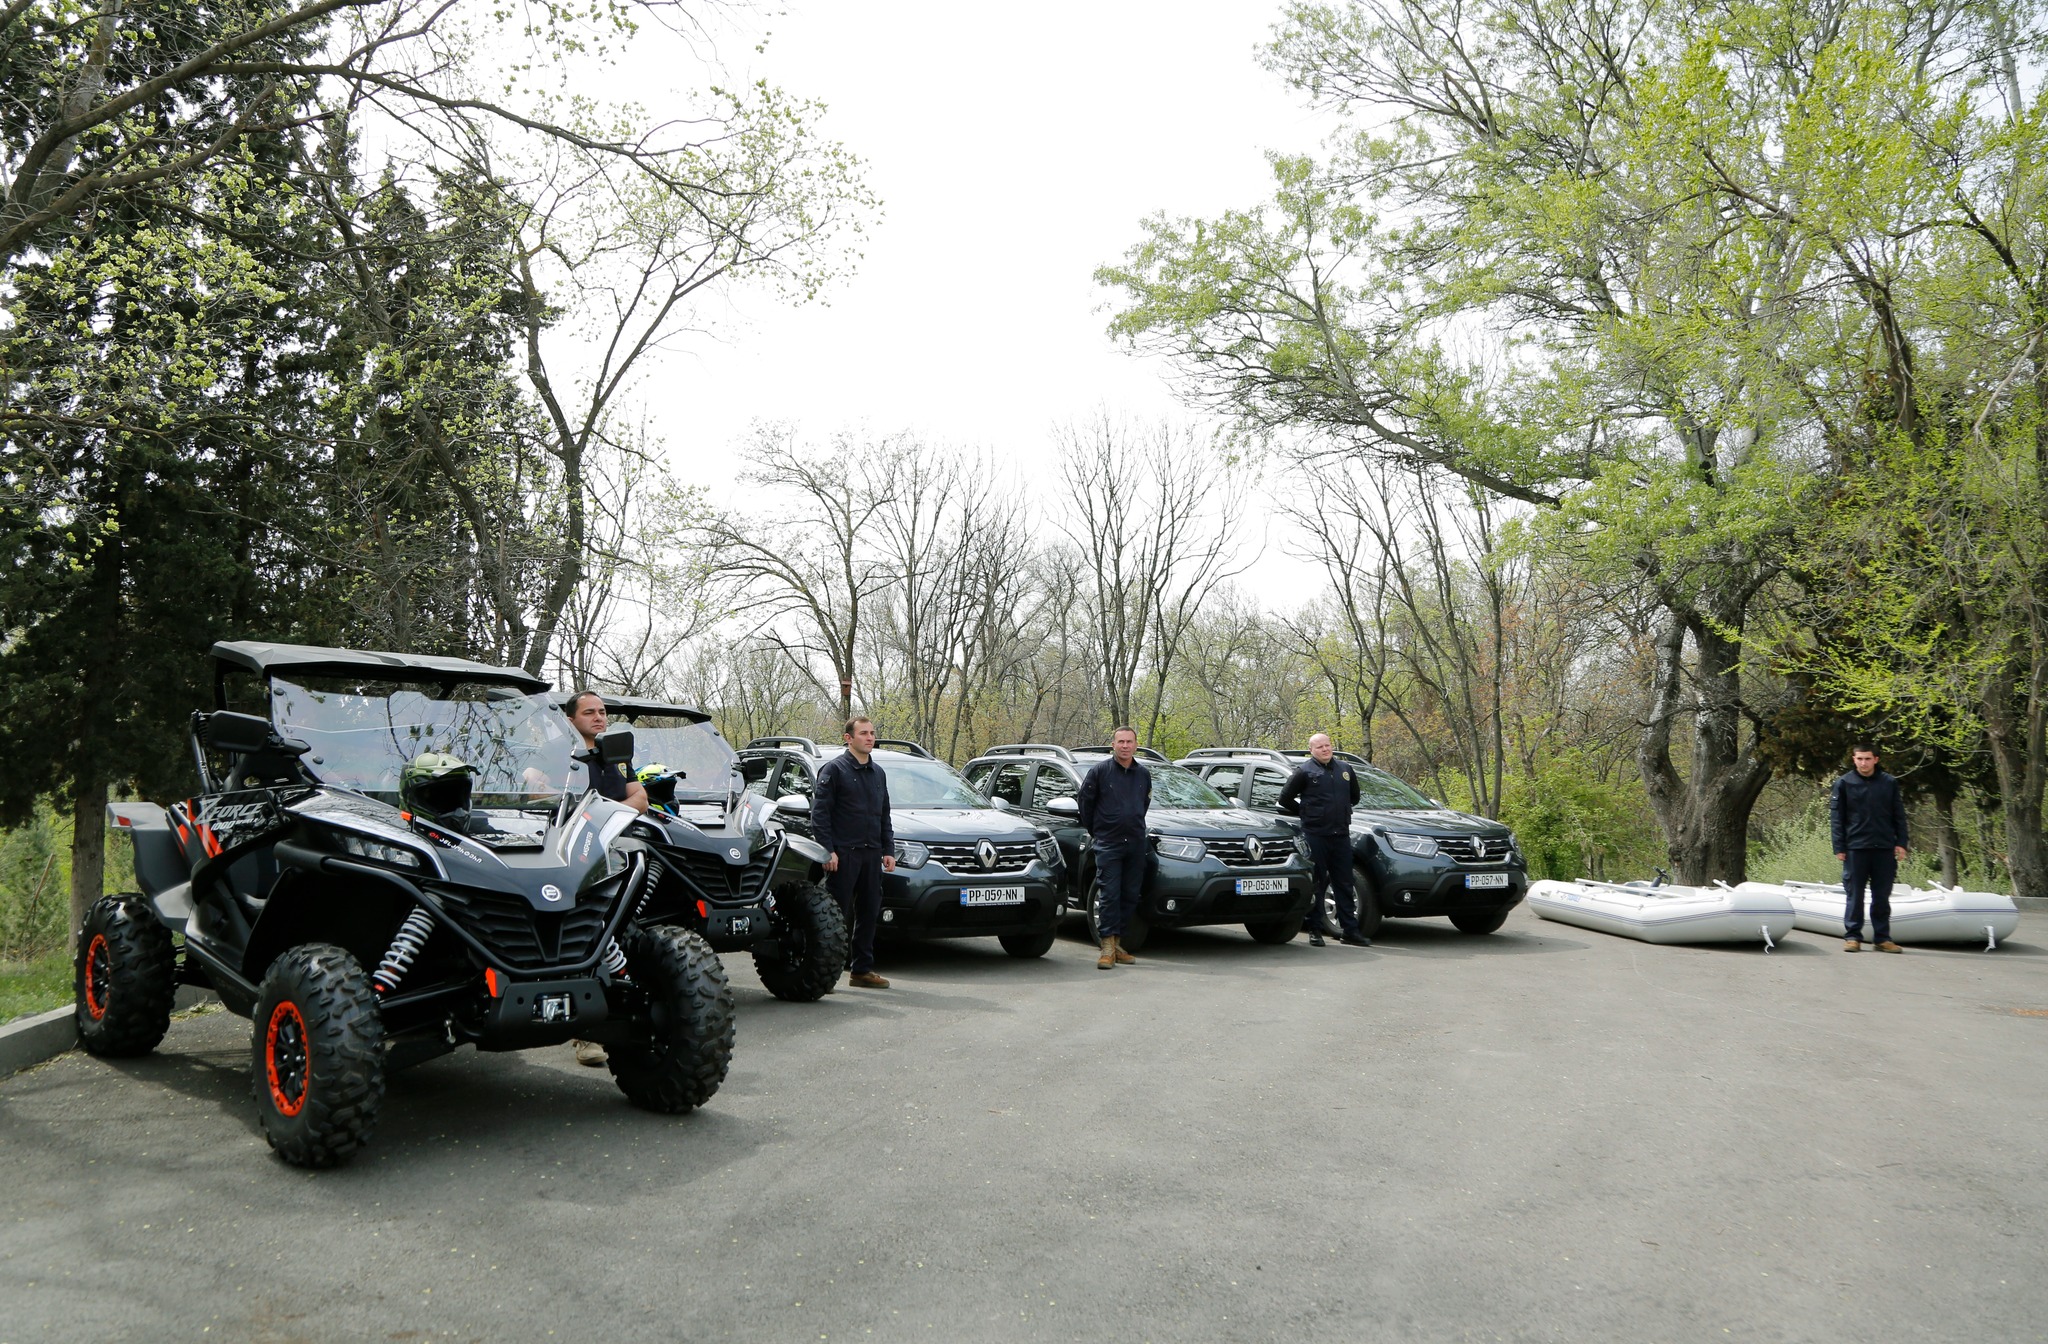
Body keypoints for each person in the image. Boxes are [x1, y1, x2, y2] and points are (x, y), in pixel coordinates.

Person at [559, 691, 647, 1067]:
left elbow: (641, 798)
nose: (599, 718)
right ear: (570, 720)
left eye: (602, 712)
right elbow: (539, 792)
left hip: (616, 853)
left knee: (619, 934)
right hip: (573, 856)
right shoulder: (559, 755)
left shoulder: (616, 754)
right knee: (584, 933)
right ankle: (584, 1034)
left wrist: (604, 816)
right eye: (589, 712)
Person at [814, 716, 897, 989]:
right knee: (834, 917)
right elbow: (820, 814)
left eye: (872, 733)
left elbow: (884, 814)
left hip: (871, 854)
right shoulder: (834, 770)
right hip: (843, 855)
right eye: (863, 733)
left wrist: (888, 849)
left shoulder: (878, 773)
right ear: (848, 738)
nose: (870, 737)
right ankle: (824, 974)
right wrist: (828, 850)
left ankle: (861, 971)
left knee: (868, 913)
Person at [1278, 733, 1370, 947]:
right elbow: (1285, 798)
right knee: (1317, 883)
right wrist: (1306, 812)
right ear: (1311, 750)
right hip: (1315, 835)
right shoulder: (1304, 771)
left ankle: (1350, 931)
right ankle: (1315, 929)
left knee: (1345, 883)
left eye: (1328, 745)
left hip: (1341, 835)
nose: (1325, 749)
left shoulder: (1345, 769)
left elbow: (1354, 797)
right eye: (1320, 747)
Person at [1077, 727, 1151, 971]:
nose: (1125, 746)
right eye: (1121, 742)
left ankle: (1118, 944)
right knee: (1109, 894)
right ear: (1113, 745)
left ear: (1136, 745)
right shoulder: (1100, 772)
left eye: (1129, 741)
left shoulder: (1143, 774)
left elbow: (1144, 803)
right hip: (1108, 843)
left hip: (1135, 842)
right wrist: (1098, 831)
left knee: (1130, 894)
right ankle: (1107, 947)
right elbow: (1085, 804)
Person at [1832, 742, 1910, 953]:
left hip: (1884, 847)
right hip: (1855, 848)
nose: (1863, 763)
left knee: (1882, 896)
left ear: (1876, 759)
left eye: (1867, 759)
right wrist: (1839, 847)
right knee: (1855, 895)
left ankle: (1882, 938)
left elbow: (1899, 815)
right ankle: (1853, 937)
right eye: (1859, 759)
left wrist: (1901, 843)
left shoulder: (1889, 783)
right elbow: (1837, 818)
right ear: (1854, 759)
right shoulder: (1844, 783)